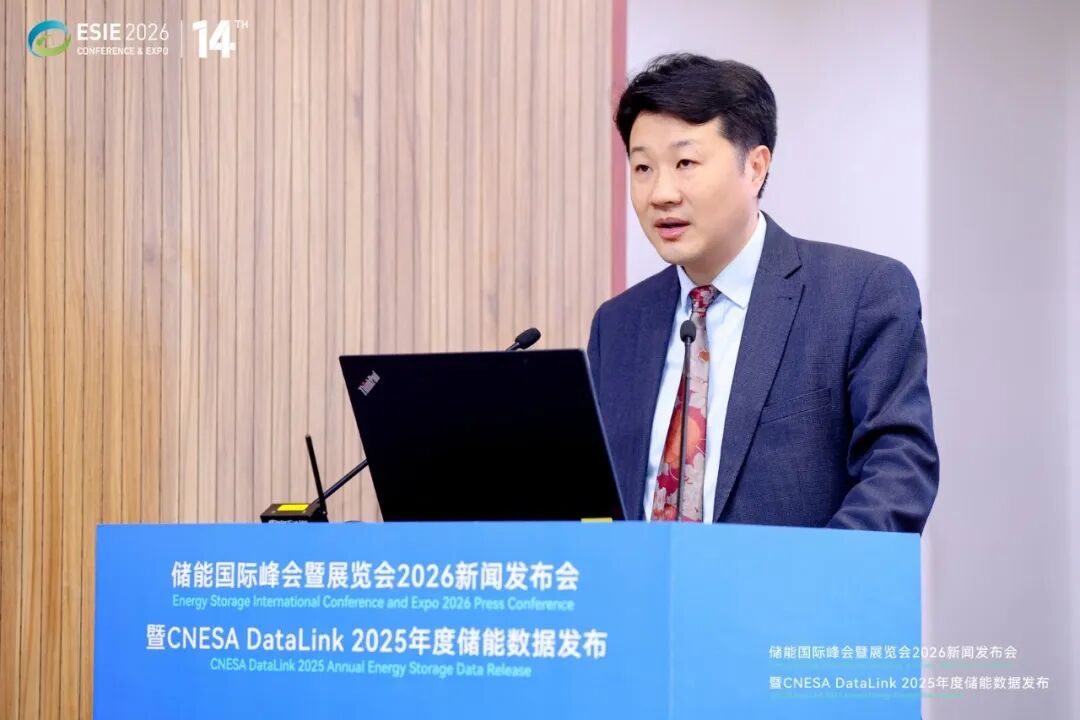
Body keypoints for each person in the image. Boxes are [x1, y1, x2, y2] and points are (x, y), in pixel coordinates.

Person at [588, 54, 938, 531]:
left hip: (797, 581)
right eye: (643, 167)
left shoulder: (859, 295)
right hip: (641, 581)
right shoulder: (618, 325)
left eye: (685, 163)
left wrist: (808, 574)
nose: (660, 193)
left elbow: (899, 472)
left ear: (755, 167)